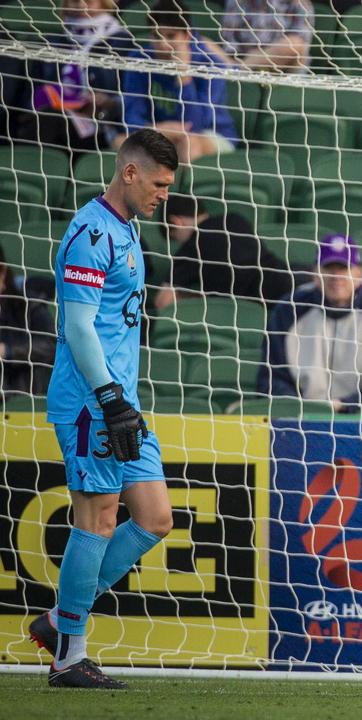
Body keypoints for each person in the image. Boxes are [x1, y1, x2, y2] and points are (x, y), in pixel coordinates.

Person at [27, 129, 179, 689]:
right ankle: (69, 654)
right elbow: (77, 324)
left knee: (156, 518)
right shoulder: (92, 233)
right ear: (130, 172)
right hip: (94, 402)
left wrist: (122, 400)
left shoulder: (128, 227)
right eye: (159, 184)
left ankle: (59, 619)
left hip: (120, 402)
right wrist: (110, 397)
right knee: (98, 519)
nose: (164, 194)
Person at [258, 233, 362, 411]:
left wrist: (346, 405)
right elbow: (272, 378)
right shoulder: (289, 308)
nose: (336, 276)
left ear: (359, 273)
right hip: (302, 416)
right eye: (328, 269)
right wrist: (302, 407)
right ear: (314, 273)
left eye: (344, 268)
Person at [122, 0, 238, 164]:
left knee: (188, 143)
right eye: (156, 36)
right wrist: (159, 131)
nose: (163, 45)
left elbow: (196, 126)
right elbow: (131, 118)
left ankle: (182, 190)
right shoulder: (139, 60)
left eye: (171, 36)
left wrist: (184, 76)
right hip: (159, 133)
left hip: (210, 135)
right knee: (121, 142)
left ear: (187, 35)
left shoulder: (210, 64)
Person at [24, 0, 135, 153]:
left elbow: (137, 99)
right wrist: (51, 96)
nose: (81, 5)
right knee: (47, 120)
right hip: (55, 118)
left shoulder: (124, 44)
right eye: (74, 0)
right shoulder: (50, 43)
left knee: (49, 122)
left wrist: (109, 101)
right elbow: (30, 96)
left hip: (105, 124)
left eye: (89, 0)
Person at [154, 194, 301, 310]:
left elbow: (163, 302)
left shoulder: (190, 248)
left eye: (175, 238)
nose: (180, 243)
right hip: (291, 278)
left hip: (264, 307)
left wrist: (197, 298)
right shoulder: (235, 219)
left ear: (176, 222)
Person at [0, 245, 56, 396]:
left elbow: (51, 344)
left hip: (24, 397)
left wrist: (7, 350)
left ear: (2, 272)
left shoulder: (28, 303)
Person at [221, 0, 314, 73]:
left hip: (283, 67)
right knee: (207, 44)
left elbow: (300, 49)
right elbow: (229, 42)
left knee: (294, 44)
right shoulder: (238, 2)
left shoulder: (300, 4)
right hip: (242, 57)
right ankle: (239, 67)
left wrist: (260, 55)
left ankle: (239, 69)